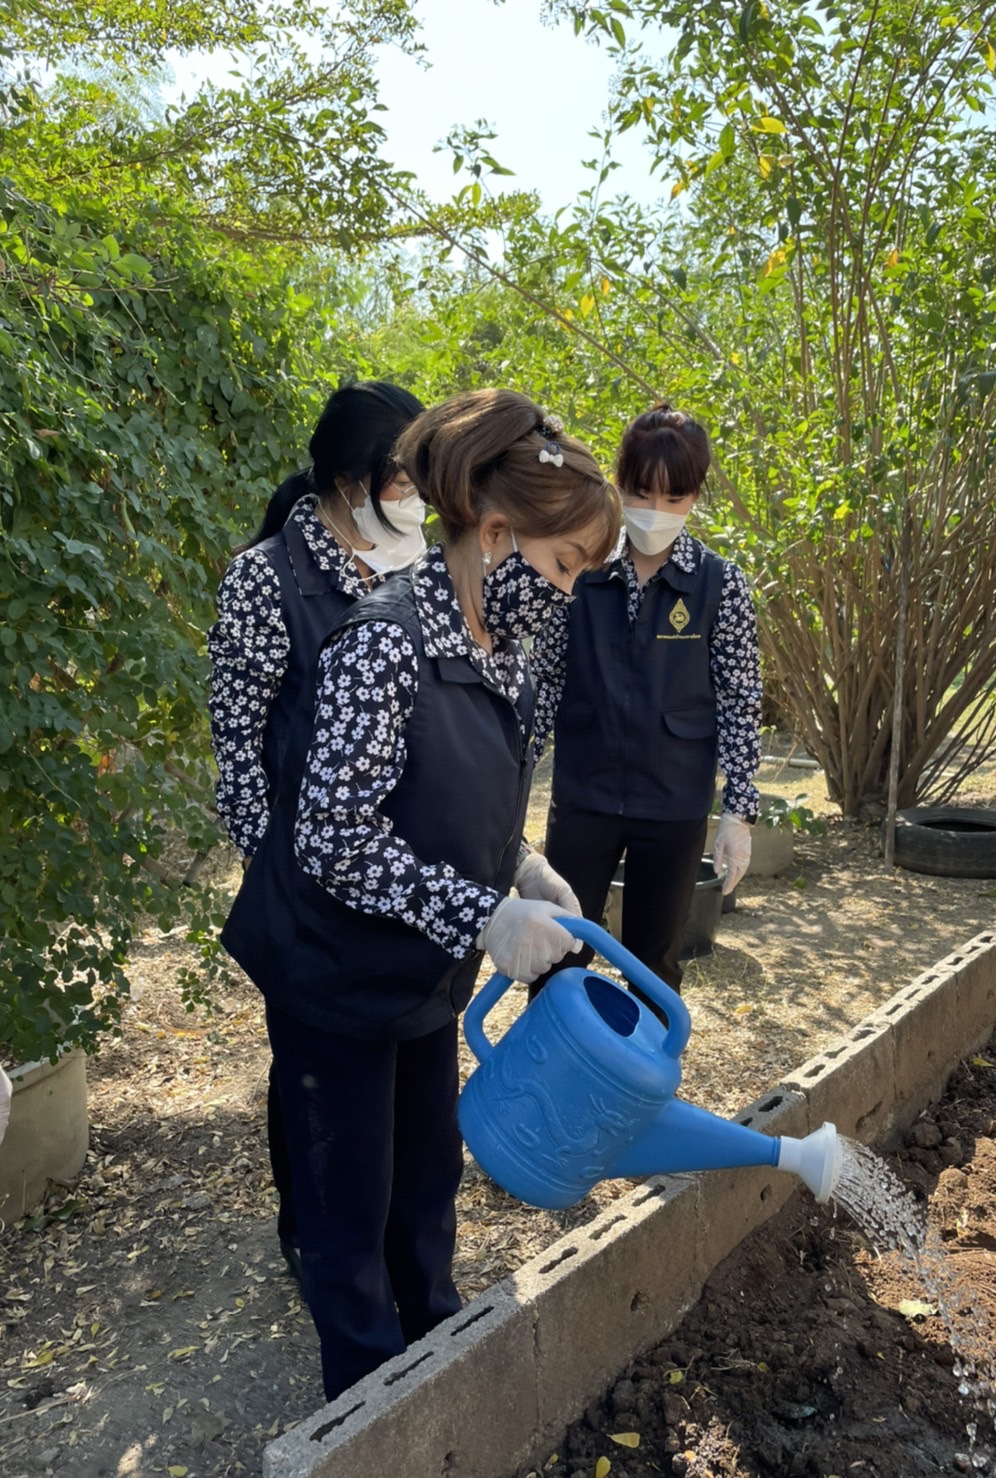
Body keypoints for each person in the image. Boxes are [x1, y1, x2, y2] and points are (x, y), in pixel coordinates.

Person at [219, 388, 621, 1401]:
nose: (567, 591)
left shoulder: (504, 651)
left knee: (425, 1183)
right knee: (346, 1208)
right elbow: (330, 836)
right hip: (336, 973)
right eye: (564, 564)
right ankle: (365, 1403)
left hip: (419, 972)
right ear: (494, 532)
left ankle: (434, 1360)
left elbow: (457, 795)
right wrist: (484, 913)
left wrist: (520, 864)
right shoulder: (381, 645)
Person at [207, 379, 424, 1287]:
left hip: (399, 870)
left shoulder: (413, 565)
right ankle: (311, 1229)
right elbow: (238, 739)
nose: (419, 498)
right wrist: (280, 871)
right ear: (348, 481)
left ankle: (392, 1242)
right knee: (311, 1072)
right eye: (405, 478)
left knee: (402, 1081)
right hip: (305, 883)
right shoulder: (267, 580)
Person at [530, 402, 762, 1000]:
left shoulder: (719, 585)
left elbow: (740, 699)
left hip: (674, 802)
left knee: (653, 967)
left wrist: (739, 811)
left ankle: (635, 1090)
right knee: (559, 951)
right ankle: (550, 1083)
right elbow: (544, 681)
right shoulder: (577, 569)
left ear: (694, 496)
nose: (655, 512)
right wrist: (510, 776)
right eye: (640, 493)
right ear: (618, 483)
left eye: (674, 498)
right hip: (585, 796)